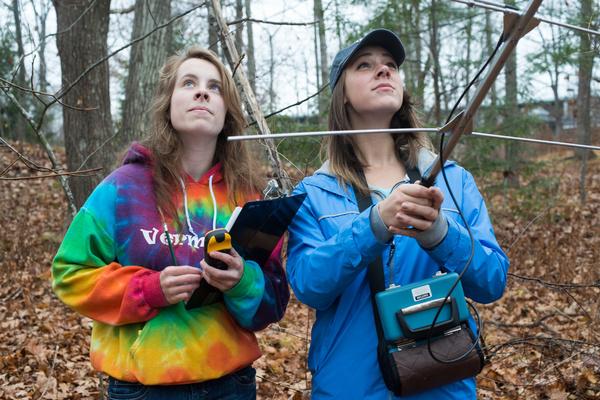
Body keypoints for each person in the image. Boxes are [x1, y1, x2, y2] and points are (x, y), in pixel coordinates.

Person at [52, 46, 289, 399]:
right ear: (168, 103)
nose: (202, 92)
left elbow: (273, 303)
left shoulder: (249, 197)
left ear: (227, 113)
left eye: (216, 87)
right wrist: (148, 289)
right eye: (188, 83)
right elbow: (69, 273)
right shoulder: (123, 188)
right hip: (143, 388)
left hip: (231, 385)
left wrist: (242, 282)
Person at [286, 29, 509, 399]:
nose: (383, 71)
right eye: (365, 65)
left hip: (442, 382)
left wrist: (440, 233)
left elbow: (492, 282)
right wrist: (373, 225)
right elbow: (311, 286)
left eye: (390, 65)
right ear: (341, 93)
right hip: (349, 386)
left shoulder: (451, 179)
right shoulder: (313, 193)